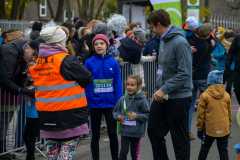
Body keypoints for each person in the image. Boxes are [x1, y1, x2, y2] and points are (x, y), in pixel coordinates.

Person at [29, 26, 92, 159]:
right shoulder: (66, 60)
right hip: (70, 115)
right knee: (65, 154)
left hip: (47, 116)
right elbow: (87, 78)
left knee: (52, 153)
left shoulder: (40, 61)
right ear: (61, 41)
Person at [146, 9, 192, 160]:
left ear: (159, 25)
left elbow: (185, 73)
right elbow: (163, 69)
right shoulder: (163, 40)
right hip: (163, 96)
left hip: (179, 98)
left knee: (179, 140)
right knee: (153, 131)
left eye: (152, 27)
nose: (152, 30)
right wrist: (160, 88)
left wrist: (163, 88)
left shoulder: (180, 42)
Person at [84, 34, 123, 160]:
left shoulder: (114, 63)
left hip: (111, 104)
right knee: (95, 135)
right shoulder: (89, 62)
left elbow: (118, 84)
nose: (99, 46)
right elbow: (86, 84)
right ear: (93, 47)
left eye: (101, 43)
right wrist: (86, 104)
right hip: (94, 104)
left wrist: (119, 104)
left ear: (107, 45)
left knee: (113, 134)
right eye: (96, 44)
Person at [0, 40, 39, 160]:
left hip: (8, 93)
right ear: (26, 48)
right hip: (4, 91)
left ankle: (2, 150)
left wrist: (23, 86)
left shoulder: (21, 56)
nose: (33, 59)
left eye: (36, 57)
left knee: (5, 123)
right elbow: (4, 79)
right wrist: (23, 91)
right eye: (33, 54)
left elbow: (17, 78)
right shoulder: (10, 52)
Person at [187, 23, 219, 140]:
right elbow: (217, 40)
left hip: (190, 77)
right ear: (207, 35)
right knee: (210, 104)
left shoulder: (188, 40)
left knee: (190, 105)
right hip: (204, 78)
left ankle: (188, 131)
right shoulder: (208, 44)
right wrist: (212, 37)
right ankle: (211, 130)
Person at [112, 74, 150, 160]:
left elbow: (147, 115)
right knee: (123, 153)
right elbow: (115, 111)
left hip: (137, 132)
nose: (129, 87)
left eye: (132, 85)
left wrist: (136, 116)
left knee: (134, 154)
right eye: (128, 84)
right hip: (125, 131)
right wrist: (118, 117)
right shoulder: (122, 99)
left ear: (139, 87)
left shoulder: (142, 101)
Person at [197, 70, 232, 160]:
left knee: (205, 149)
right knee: (223, 150)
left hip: (210, 128)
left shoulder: (204, 95)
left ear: (209, 81)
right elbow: (229, 113)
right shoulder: (227, 95)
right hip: (224, 128)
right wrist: (229, 126)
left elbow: (201, 115)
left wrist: (200, 128)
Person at [23, 63, 40, 160]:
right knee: (25, 137)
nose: (30, 75)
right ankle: (31, 156)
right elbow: (22, 93)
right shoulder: (28, 84)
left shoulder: (37, 85)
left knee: (30, 137)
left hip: (37, 115)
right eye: (28, 73)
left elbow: (36, 97)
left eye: (32, 73)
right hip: (30, 114)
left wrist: (24, 92)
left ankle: (30, 157)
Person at [212, 30, 235, 97]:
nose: (234, 38)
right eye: (233, 37)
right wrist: (224, 53)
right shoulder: (219, 44)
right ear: (228, 38)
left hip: (231, 69)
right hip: (221, 69)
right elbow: (214, 55)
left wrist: (231, 55)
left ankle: (228, 102)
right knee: (220, 88)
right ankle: (220, 103)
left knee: (229, 88)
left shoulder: (234, 45)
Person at [225, 34, 240, 106]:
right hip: (238, 69)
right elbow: (231, 52)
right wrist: (227, 66)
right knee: (237, 90)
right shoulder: (238, 37)